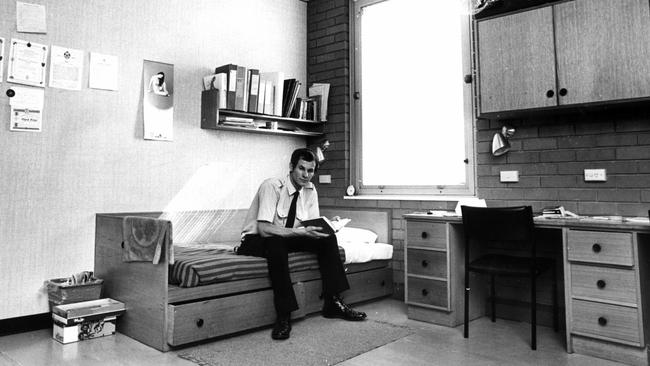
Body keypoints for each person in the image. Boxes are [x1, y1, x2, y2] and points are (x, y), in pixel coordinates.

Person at [237, 148, 367, 340]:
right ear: (291, 167)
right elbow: (265, 229)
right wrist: (299, 232)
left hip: (287, 237)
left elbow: (312, 226)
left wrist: (329, 225)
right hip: (255, 240)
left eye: (311, 170)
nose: (306, 175)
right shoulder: (272, 186)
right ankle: (284, 314)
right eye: (301, 169)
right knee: (276, 244)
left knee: (327, 239)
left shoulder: (310, 190)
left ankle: (333, 301)